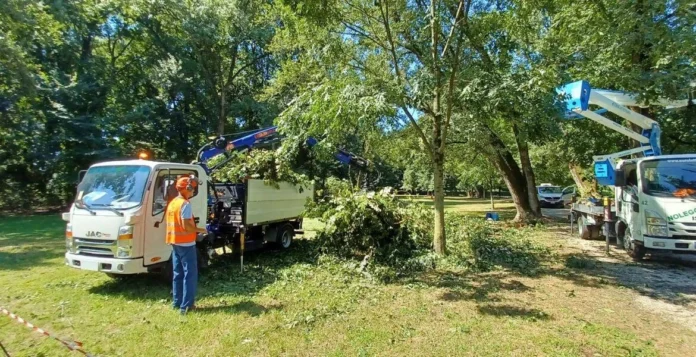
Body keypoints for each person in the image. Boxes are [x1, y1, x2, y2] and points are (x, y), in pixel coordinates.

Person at [166, 176, 199, 314]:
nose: (193, 192)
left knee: (177, 273)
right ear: (187, 188)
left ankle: (176, 302)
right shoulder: (185, 204)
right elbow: (186, 226)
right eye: (193, 189)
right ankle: (186, 306)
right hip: (186, 244)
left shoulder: (173, 202)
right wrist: (201, 230)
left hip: (175, 242)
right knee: (190, 274)